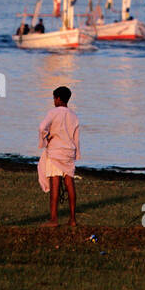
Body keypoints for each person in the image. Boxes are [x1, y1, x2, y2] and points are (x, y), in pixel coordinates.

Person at [38, 85, 80, 225]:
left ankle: (54, 219)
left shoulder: (53, 112)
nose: (53, 101)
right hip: (68, 153)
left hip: (55, 152)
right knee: (70, 184)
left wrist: (46, 138)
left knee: (55, 185)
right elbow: (76, 137)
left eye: (54, 98)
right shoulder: (74, 116)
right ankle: (73, 219)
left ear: (58, 99)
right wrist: (76, 154)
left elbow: (41, 127)